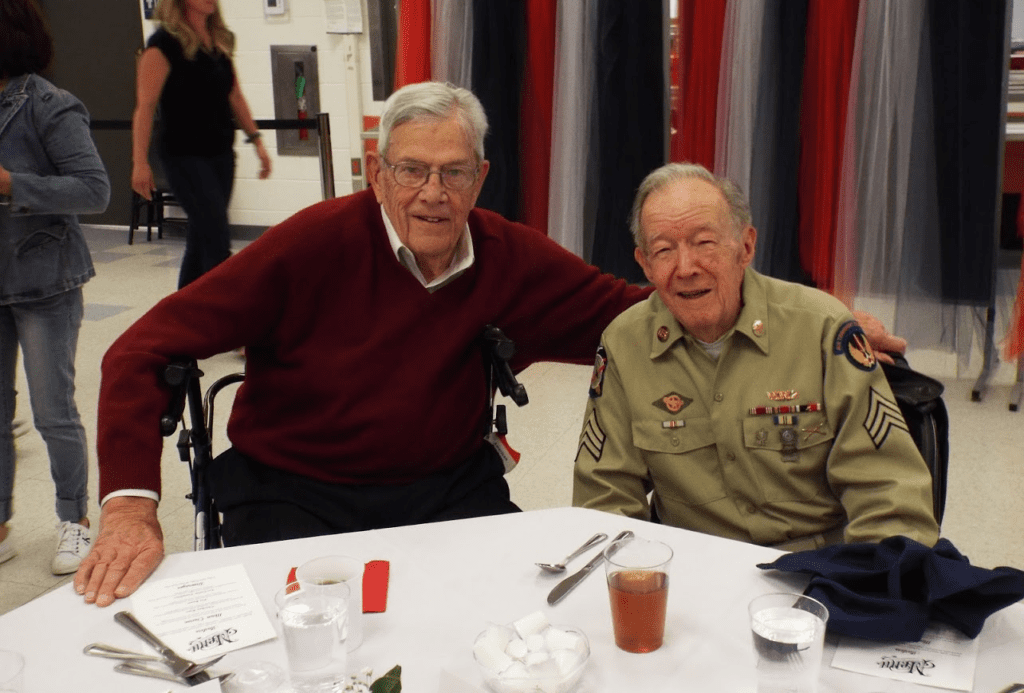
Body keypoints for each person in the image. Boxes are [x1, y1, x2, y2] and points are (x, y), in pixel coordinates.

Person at [76, 84, 907, 607]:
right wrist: (130, 506)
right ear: (378, 173)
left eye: (453, 172)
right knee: (286, 646)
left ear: (481, 177)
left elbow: (647, 309)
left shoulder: (509, 256)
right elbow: (141, 349)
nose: (432, 193)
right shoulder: (309, 244)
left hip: (446, 488)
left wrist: (815, 319)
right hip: (294, 489)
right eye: (410, 171)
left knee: (514, 620)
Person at [572, 162, 939, 551]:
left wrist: (867, 591)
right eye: (663, 250)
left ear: (745, 247)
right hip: (693, 573)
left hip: (818, 572)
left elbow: (889, 496)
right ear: (644, 263)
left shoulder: (822, 330)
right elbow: (605, 500)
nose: (686, 268)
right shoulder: (624, 344)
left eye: (704, 243)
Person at [0, 0, 111, 573]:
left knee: (52, 411)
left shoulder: (48, 104)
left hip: (46, 281)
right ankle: (1, 523)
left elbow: (93, 189)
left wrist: (14, 185)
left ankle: (74, 519)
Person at [131, 0, 271, 289]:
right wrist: (139, 164)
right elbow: (145, 108)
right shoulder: (162, 45)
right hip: (183, 156)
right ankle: (234, 318)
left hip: (220, 152)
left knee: (202, 235)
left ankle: (181, 316)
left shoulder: (218, 40)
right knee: (216, 237)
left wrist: (257, 142)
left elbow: (234, 96)